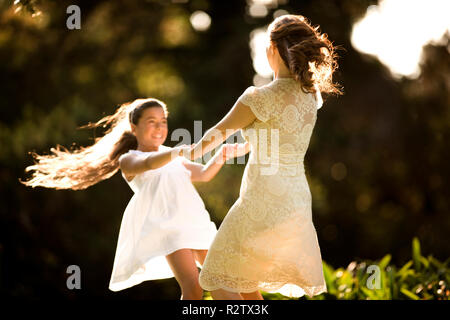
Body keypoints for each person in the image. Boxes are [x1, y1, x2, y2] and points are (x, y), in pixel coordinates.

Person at [21, 98, 245, 300]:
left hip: (196, 221)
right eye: (151, 121)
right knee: (193, 287)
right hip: (169, 228)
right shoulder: (130, 159)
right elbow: (148, 164)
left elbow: (204, 174)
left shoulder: (173, 155)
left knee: (221, 280)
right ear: (134, 127)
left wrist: (221, 154)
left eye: (163, 121)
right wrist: (178, 152)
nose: (159, 127)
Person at [184, 14, 342, 300]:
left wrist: (178, 154)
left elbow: (215, 134)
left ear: (272, 48)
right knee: (245, 280)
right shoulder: (310, 97)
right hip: (295, 200)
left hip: (262, 198)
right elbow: (279, 134)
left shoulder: (259, 97)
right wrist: (245, 147)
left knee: (216, 274)